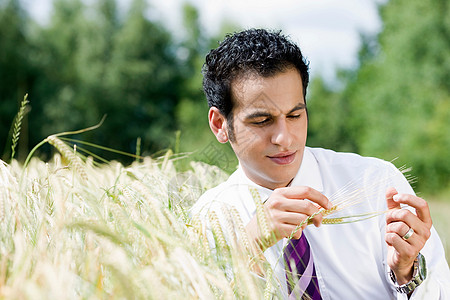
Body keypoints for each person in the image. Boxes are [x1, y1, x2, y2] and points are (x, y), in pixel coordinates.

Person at [191, 28, 450, 299]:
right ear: (220, 125)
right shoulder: (207, 220)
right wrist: (246, 247)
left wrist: (407, 273)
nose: (284, 138)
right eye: (262, 121)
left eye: (294, 116)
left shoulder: (375, 184)